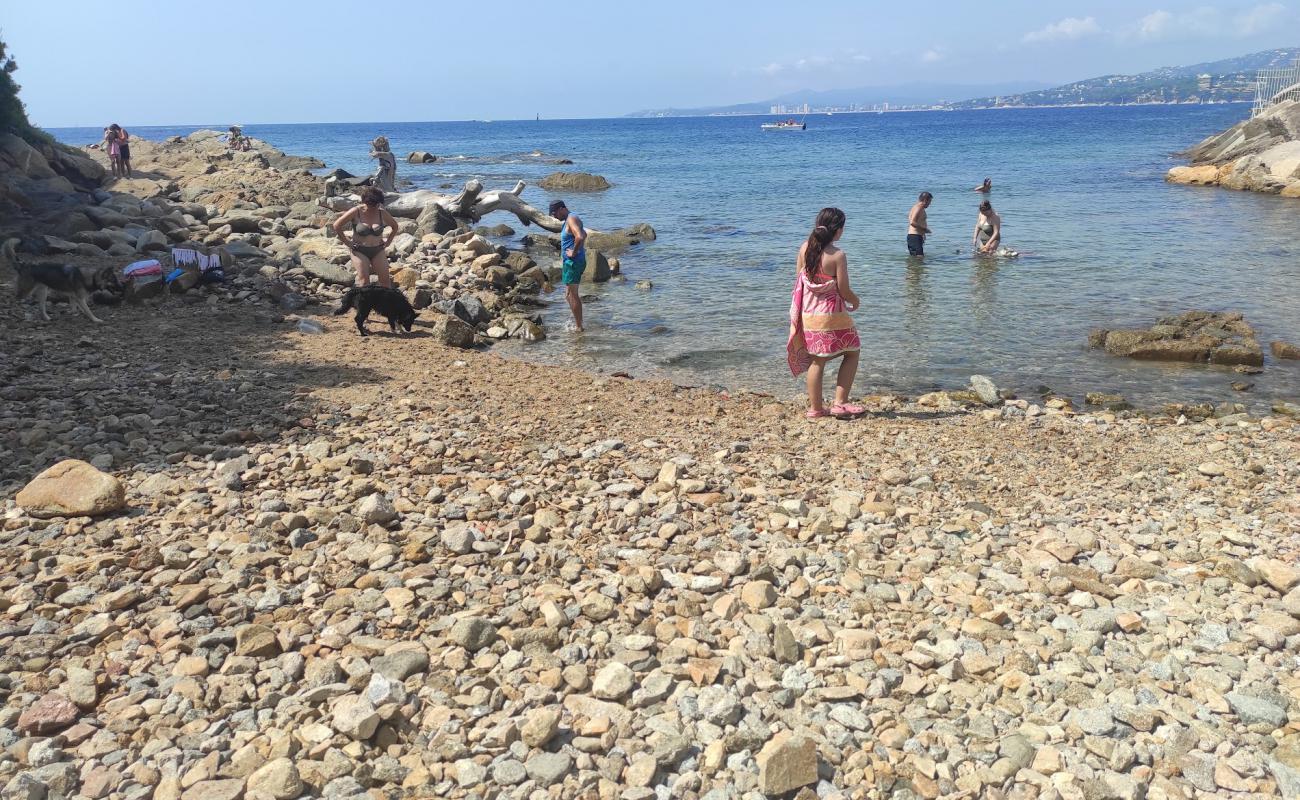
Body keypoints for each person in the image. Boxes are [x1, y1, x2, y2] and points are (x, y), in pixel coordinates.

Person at [786, 207, 863, 419]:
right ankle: (840, 402)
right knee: (852, 351)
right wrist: (855, 301)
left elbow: (799, 281)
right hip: (831, 316)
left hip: (809, 315)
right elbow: (844, 290)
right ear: (837, 230)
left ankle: (815, 409)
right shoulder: (837, 255)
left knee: (817, 361)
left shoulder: (804, 249)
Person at [332, 186, 397, 288]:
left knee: (385, 282)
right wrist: (347, 242)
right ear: (365, 202)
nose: (374, 207)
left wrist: (388, 241)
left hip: (378, 250)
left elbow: (395, 226)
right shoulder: (356, 211)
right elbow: (336, 225)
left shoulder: (381, 212)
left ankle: (384, 303)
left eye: (377, 204)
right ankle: (364, 304)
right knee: (364, 282)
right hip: (359, 251)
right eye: (371, 204)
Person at [549, 200, 587, 331]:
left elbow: (580, 236)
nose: (554, 216)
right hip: (570, 262)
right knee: (568, 294)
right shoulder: (572, 218)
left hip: (573, 262)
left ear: (561, 209)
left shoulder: (571, 219)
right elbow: (585, 234)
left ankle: (579, 327)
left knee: (573, 294)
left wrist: (574, 252)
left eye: (554, 213)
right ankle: (578, 321)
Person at [907, 192, 932, 256]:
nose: (930, 204)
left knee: (916, 259)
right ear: (925, 200)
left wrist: (922, 234)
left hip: (915, 236)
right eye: (929, 201)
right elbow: (912, 222)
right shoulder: (918, 208)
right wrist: (924, 229)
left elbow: (910, 219)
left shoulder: (916, 207)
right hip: (915, 237)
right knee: (919, 258)